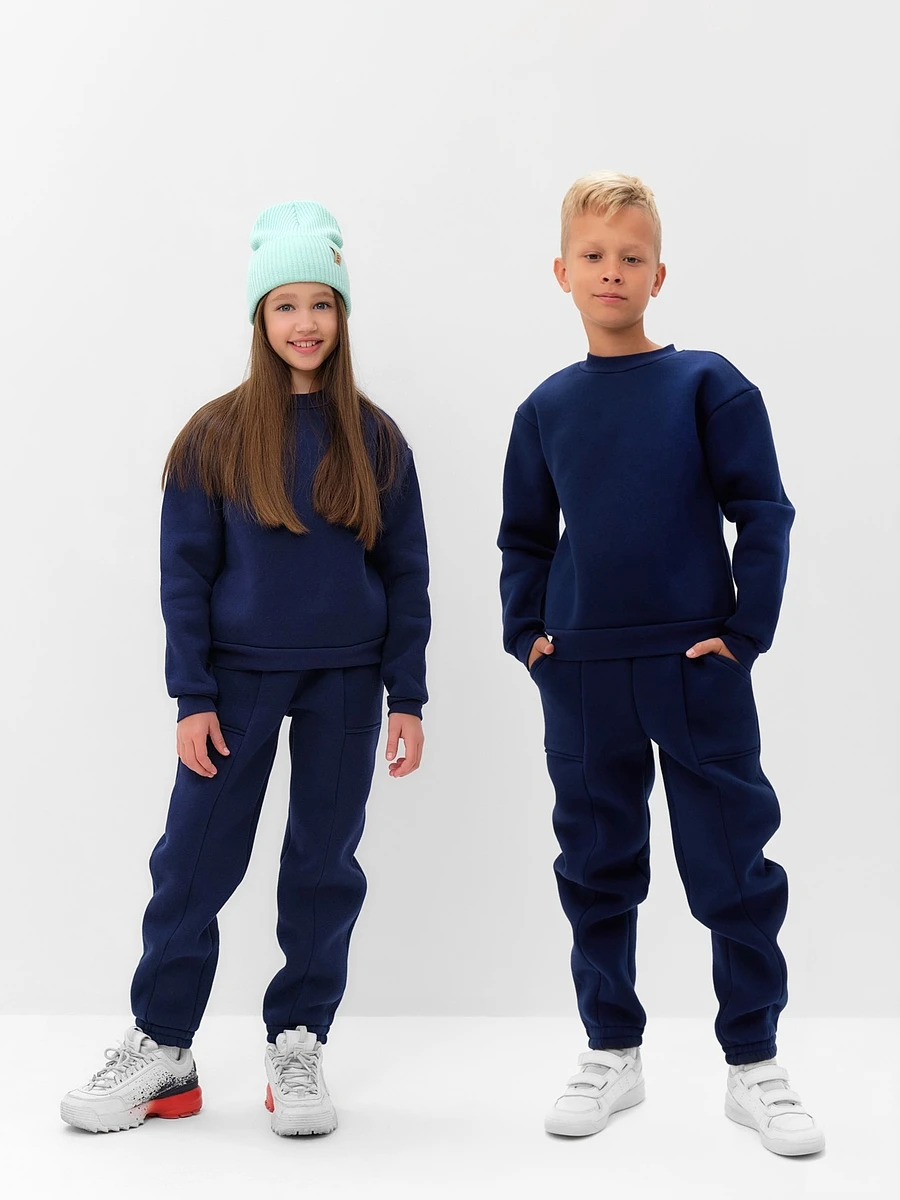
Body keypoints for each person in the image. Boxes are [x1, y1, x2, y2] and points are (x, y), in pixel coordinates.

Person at [60, 200, 431, 1137]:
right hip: (236, 685)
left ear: (342, 315)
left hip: (347, 682)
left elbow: (407, 574)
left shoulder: (376, 439)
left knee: (322, 866)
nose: (305, 322)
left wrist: (409, 694)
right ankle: (164, 1049)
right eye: (286, 305)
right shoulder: (215, 436)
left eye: (322, 303)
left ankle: (298, 1040)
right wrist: (193, 695)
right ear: (260, 318)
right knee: (193, 859)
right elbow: (183, 579)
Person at [497, 171, 824, 1157]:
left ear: (658, 274)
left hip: (695, 663)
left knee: (732, 863)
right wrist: (529, 636)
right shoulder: (546, 408)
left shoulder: (707, 386)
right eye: (594, 256)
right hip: (584, 671)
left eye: (631, 257)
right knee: (596, 865)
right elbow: (525, 537)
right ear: (562, 272)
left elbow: (763, 511)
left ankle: (754, 1061)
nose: (613, 271)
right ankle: (611, 1050)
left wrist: (745, 634)